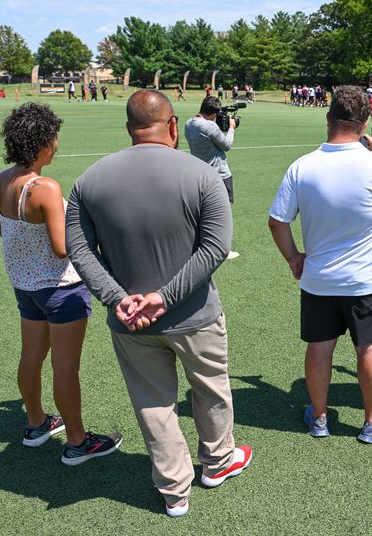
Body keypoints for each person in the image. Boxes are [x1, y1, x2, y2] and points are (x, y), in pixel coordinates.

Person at [65, 90, 251, 517]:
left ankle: (173, 491)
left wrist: (117, 299)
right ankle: (217, 463)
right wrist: (165, 298)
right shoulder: (202, 174)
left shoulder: (89, 180)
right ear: (172, 127)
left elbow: (80, 251)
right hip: (196, 315)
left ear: (129, 128)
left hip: (131, 323)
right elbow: (216, 248)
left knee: (153, 404)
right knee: (211, 389)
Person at [268, 85, 372, 444]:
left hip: (320, 279)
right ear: (364, 124)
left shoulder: (303, 167)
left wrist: (293, 258)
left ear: (328, 118)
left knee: (319, 346)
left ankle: (319, 418)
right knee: (369, 347)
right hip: (369, 281)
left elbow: (277, 222)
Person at [0, 102, 121, 465]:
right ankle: (78, 442)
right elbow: (63, 247)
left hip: (26, 287)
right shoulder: (45, 187)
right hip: (62, 290)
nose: (56, 144)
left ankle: (36, 423)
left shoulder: (3, 179)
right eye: (54, 137)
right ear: (42, 142)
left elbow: (7, 231)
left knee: (31, 357)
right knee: (66, 368)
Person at [185, 95, 240, 260]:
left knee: (203, 211)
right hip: (220, 174)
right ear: (214, 113)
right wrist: (231, 128)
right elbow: (227, 145)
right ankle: (224, 249)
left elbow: (211, 138)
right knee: (223, 212)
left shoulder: (189, 123)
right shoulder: (210, 126)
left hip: (200, 172)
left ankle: (200, 244)